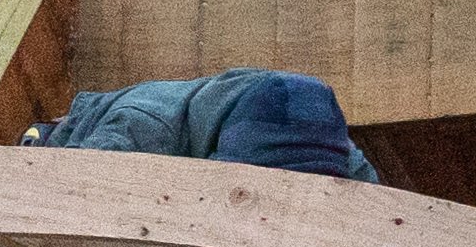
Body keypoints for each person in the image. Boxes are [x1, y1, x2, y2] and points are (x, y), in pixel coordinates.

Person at [30, 65, 375, 181]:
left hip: (257, 112)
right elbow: (367, 185)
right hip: (304, 110)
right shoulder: (141, 119)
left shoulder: (128, 127)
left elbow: (70, 192)